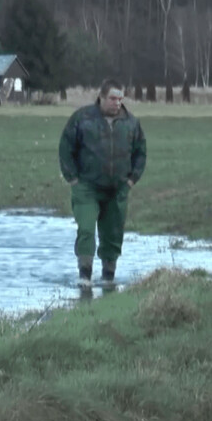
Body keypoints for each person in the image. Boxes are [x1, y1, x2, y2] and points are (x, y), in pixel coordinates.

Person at [58, 79, 147, 289]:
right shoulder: (82, 118)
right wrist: (72, 178)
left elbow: (140, 153)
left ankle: (108, 277)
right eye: (112, 98)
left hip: (118, 189)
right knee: (86, 229)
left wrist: (132, 180)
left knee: (113, 234)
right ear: (102, 98)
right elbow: (66, 148)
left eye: (120, 99)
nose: (117, 103)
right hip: (87, 187)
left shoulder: (131, 123)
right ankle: (85, 275)